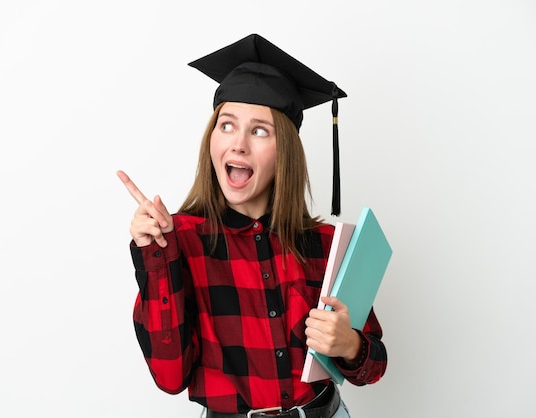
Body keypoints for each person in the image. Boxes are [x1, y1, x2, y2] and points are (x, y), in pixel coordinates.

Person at [118, 34, 387, 418]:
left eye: (260, 130)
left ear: (286, 152)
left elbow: (374, 366)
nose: (238, 144)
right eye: (226, 125)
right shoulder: (178, 242)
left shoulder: (328, 245)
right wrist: (155, 257)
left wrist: (350, 346)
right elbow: (169, 377)